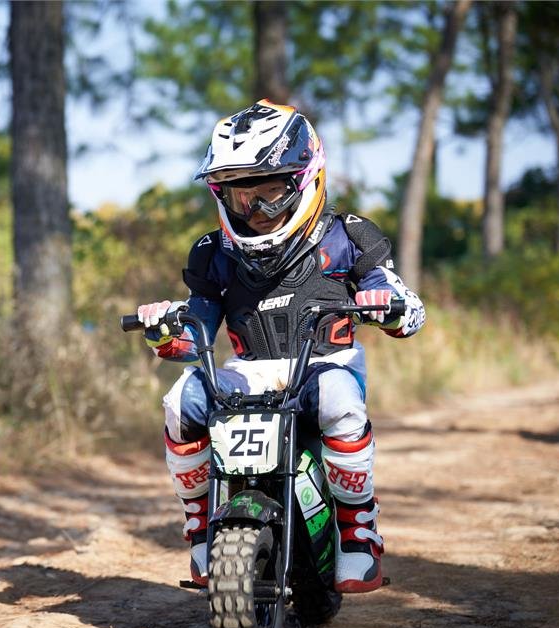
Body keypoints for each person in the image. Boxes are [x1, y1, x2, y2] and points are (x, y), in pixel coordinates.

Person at [135, 99, 425, 593]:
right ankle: (200, 528)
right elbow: (195, 335)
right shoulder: (213, 253)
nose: (257, 211)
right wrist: (165, 331)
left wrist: (390, 306)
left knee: (337, 399)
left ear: (305, 179)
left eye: (270, 193)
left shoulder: (348, 236)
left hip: (327, 365)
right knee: (181, 400)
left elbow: (406, 307)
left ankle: (358, 531)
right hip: (249, 371)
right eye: (241, 197)